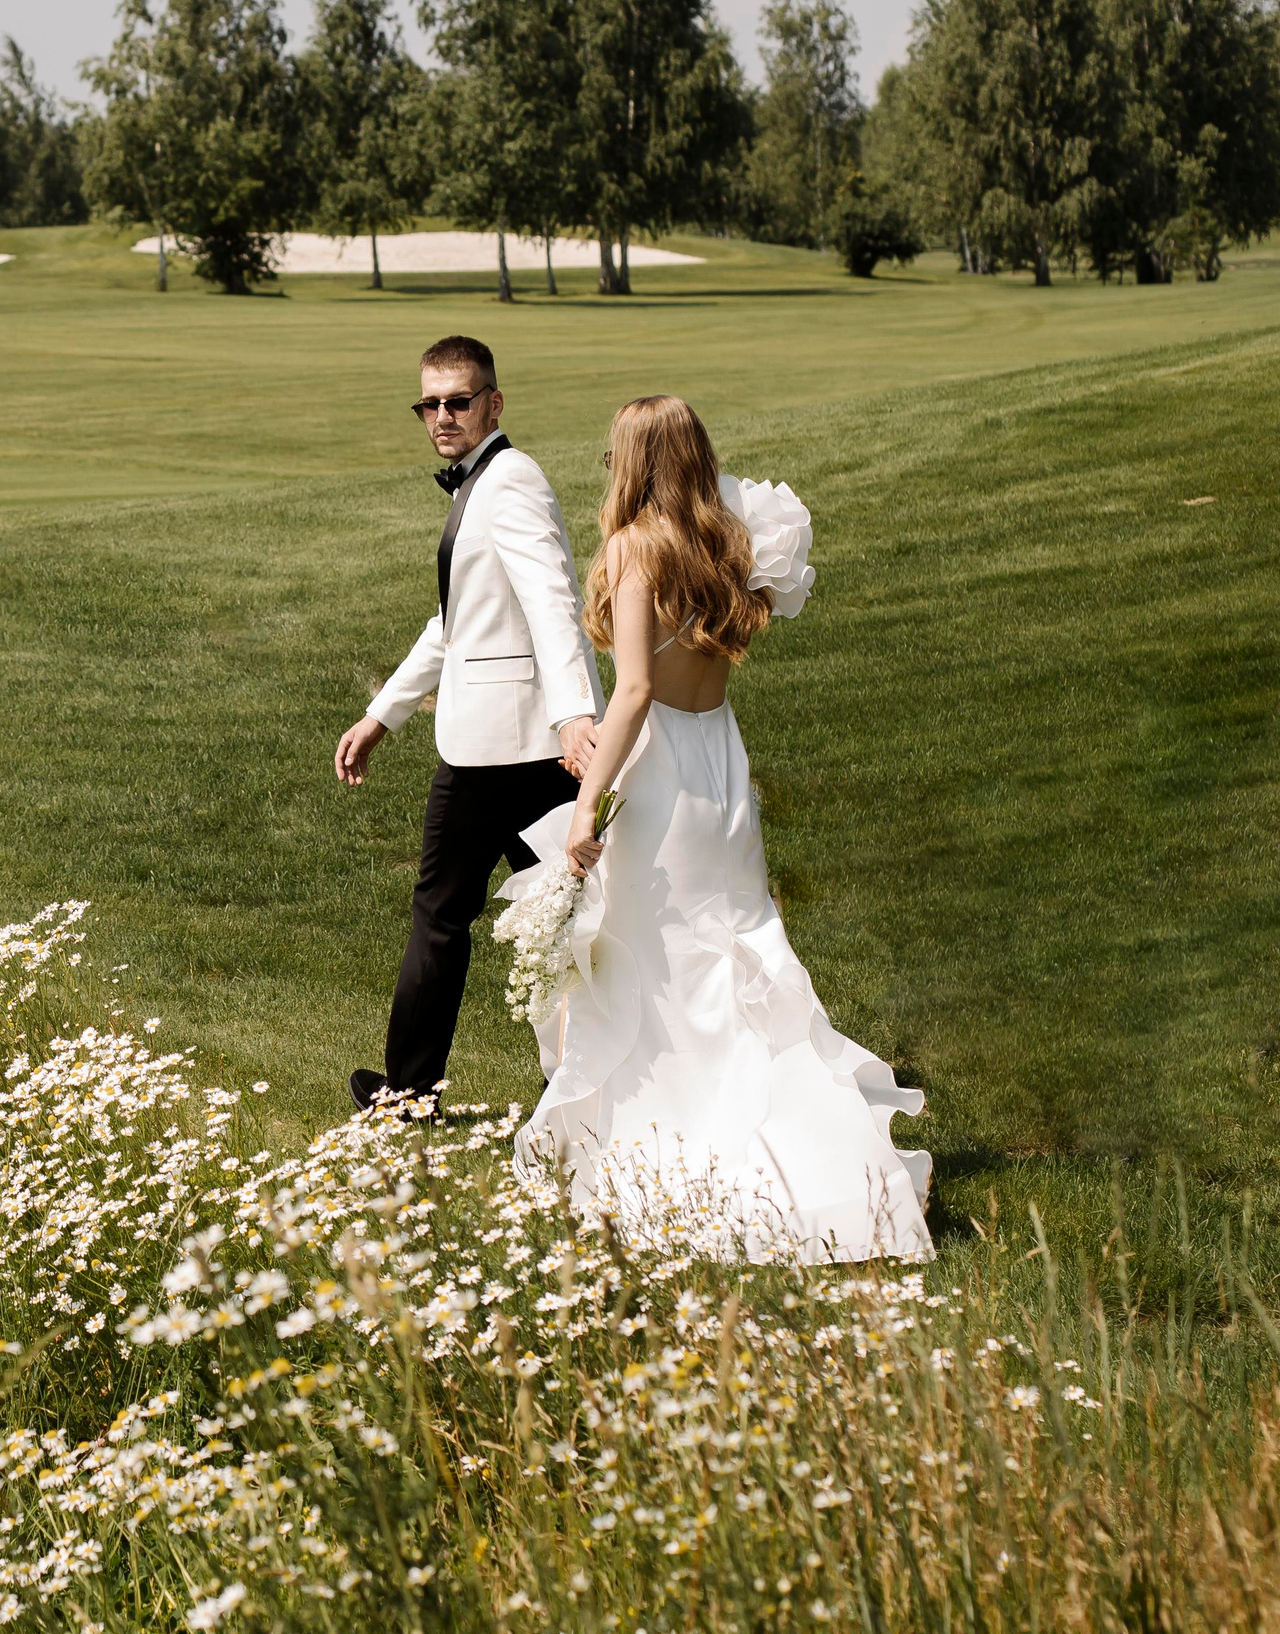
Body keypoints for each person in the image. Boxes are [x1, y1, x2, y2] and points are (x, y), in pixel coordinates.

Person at [508, 394, 932, 1262]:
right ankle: (810, 1149)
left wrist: (588, 799)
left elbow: (631, 691)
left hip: (661, 767)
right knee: (734, 945)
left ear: (632, 461)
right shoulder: (726, 543)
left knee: (654, 956)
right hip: (721, 763)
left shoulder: (634, 549)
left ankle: (669, 1150)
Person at [335, 335, 604, 1117]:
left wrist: (573, 718)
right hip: (525, 745)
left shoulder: (509, 481)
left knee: (445, 915)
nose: (444, 415)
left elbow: (554, 601)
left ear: (494, 403)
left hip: (507, 748)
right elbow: (457, 621)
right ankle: (580, 1083)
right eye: (432, 403)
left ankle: (409, 1092)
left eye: (460, 399)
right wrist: (384, 712)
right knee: (562, 916)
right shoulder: (481, 485)